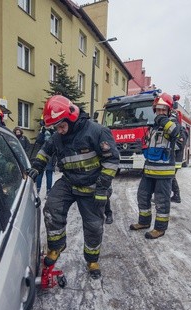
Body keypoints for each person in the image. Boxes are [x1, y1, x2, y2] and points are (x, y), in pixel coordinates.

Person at [26, 95, 120, 279]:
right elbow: (45, 152)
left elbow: (112, 161)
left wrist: (102, 188)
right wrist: (36, 166)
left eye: (61, 126)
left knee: (93, 226)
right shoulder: (57, 137)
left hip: (93, 184)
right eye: (55, 128)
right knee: (52, 208)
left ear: (71, 118)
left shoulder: (97, 131)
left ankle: (92, 260)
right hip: (69, 182)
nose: (59, 131)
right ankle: (57, 246)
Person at [129, 92, 181, 239]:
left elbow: (176, 132)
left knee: (161, 201)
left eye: (164, 110)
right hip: (149, 170)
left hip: (164, 174)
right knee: (142, 196)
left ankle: (160, 228)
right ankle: (144, 222)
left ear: (169, 111)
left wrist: (165, 120)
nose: (160, 113)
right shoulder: (153, 127)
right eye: (158, 110)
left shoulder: (173, 124)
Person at [171, 125, 188, 203]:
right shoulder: (179, 131)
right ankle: (175, 195)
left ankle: (176, 195)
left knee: (170, 177)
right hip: (174, 159)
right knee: (170, 178)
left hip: (175, 160)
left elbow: (179, 145)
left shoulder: (181, 132)